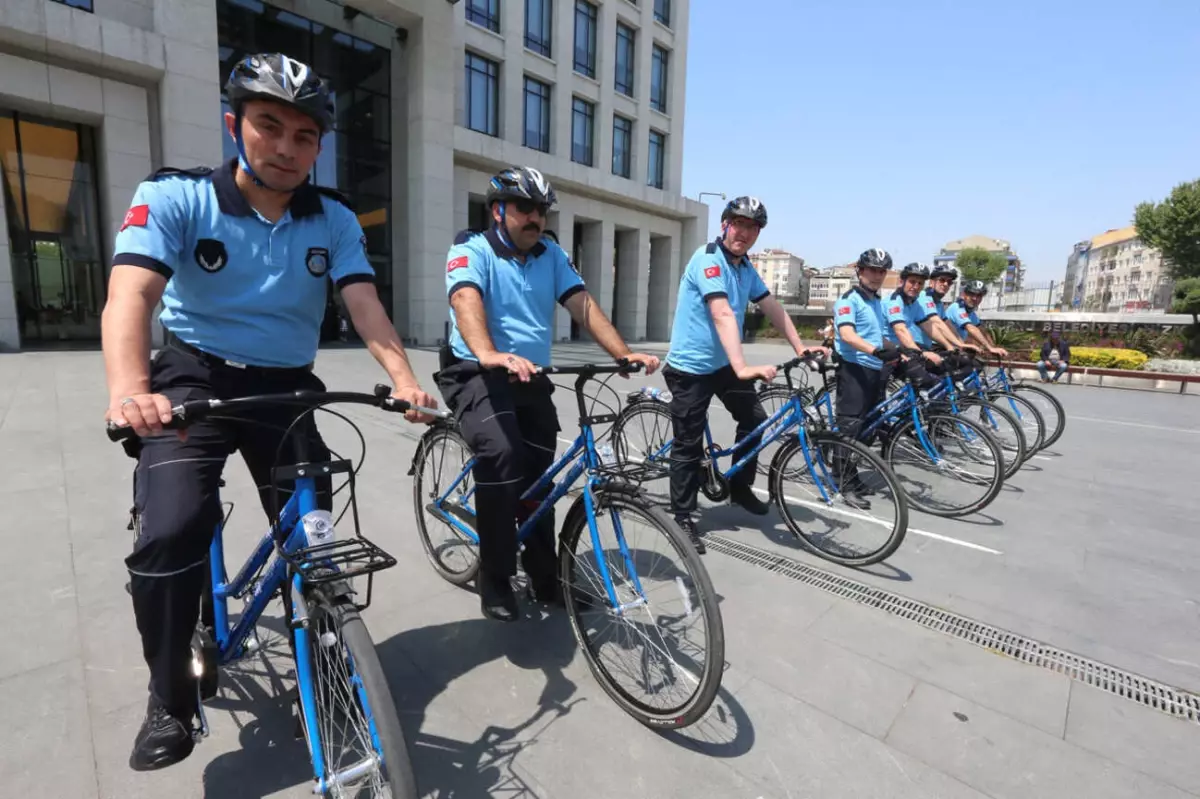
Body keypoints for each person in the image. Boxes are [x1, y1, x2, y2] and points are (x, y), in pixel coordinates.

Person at [101, 53, 438, 772]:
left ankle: (324, 643)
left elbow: (364, 305)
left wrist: (406, 378)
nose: (286, 147)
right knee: (171, 529)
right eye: (269, 126)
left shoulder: (336, 217)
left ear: (320, 145)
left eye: (304, 135)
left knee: (316, 534)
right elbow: (131, 294)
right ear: (236, 126)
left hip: (288, 383)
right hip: (194, 378)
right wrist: (132, 387)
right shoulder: (177, 198)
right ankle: (170, 696)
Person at [435, 166, 660, 622]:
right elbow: (465, 300)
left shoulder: (551, 254)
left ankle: (544, 578)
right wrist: (489, 353)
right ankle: (495, 579)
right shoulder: (470, 249)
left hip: (529, 375)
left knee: (539, 479)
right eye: (524, 208)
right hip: (476, 372)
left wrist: (623, 354)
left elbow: (584, 304)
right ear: (498, 211)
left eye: (541, 209)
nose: (535, 217)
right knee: (501, 457)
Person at [662, 196, 827, 553]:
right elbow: (721, 313)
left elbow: (772, 307)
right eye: (739, 224)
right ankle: (683, 515)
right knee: (688, 443)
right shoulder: (708, 259)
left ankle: (738, 488)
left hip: (722, 366)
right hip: (690, 368)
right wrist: (742, 367)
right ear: (725, 224)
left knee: (754, 420)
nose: (745, 232)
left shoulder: (744, 268)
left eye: (752, 227)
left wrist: (800, 347)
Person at [832, 249, 904, 501]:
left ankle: (852, 476)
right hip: (853, 368)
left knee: (867, 428)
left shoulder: (875, 302)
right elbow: (848, 335)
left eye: (882, 271)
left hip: (873, 369)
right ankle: (843, 484)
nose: (877, 276)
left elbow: (876, 336)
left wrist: (899, 350)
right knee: (849, 428)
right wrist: (875, 351)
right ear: (860, 271)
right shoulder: (848, 300)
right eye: (872, 270)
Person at [883, 262, 956, 387]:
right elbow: (900, 330)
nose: (916, 286)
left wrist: (950, 346)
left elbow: (929, 327)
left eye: (920, 283)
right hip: (886, 351)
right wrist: (922, 353)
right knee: (925, 380)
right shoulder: (894, 301)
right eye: (912, 282)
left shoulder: (914, 303)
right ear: (902, 282)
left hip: (903, 349)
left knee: (944, 370)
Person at [946, 280, 1009, 358]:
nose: (975, 298)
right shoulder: (957, 307)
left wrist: (993, 347)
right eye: (971, 294)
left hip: (956, 349)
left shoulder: (970, 312)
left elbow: (981, 330)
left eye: (979, 295)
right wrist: (990, 348)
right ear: (964, 294)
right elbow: (971, 329)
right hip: (943, 348)